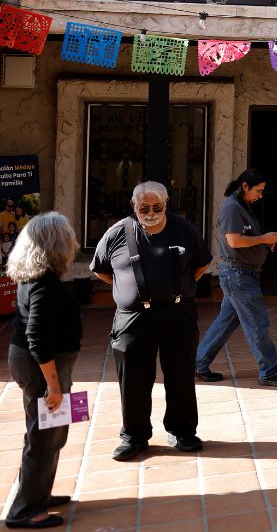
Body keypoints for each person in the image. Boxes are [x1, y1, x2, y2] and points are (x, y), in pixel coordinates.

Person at [91, 182, 212, 461]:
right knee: (133, 379)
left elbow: (202, 264)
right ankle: (134, 436)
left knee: (181, 374)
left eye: (157, 207)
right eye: (144, 208)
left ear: (167, 203)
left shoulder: (185, 229)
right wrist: (129, 290)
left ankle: (182, 431)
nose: (151, 212)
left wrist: (177, 289)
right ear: (134, 206)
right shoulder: (117, 232)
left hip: (178, 313)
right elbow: (101, 270)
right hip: (133, 318)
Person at [4, 213, 81, 529]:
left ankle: (37, 494)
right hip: (42, 368)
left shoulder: (35, 276)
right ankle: (24, 511)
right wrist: (53, 386)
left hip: (39, 364)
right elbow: (37, 337)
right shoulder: (45, 284)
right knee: (43, 437)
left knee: (50, 433)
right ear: (57, 244)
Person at [194, 169, 277, 387]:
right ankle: (269, 371)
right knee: (257, 323)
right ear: (245, 187)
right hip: (239, 275)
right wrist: (263, 238)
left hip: (241, 274)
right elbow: (234, 241)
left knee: (225, 323)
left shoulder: (241, 206)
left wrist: (264, 242)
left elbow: (244, 238)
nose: (260, 195)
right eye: (258, 191)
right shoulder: (232, 207)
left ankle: (198, 364)